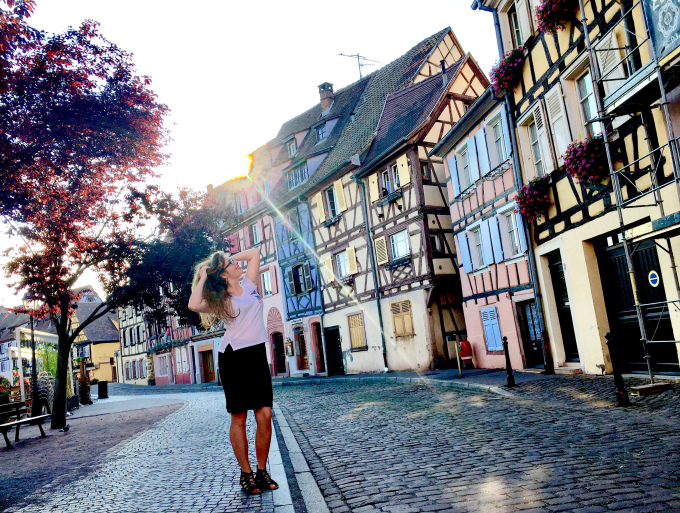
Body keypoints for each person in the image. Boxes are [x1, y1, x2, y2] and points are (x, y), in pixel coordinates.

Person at [188, 248, 278, 495]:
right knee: (239, 417)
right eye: (230, 264)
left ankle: (262, 472)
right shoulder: (220, 299)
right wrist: (204, 275)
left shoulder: (249, 284)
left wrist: (228, 257)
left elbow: (256, 253)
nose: (237, 263)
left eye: (234, 261)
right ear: (223, 274)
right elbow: (193, 304)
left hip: (257, 355)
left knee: (265, 415)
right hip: (233, 357)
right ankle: (246, 474)